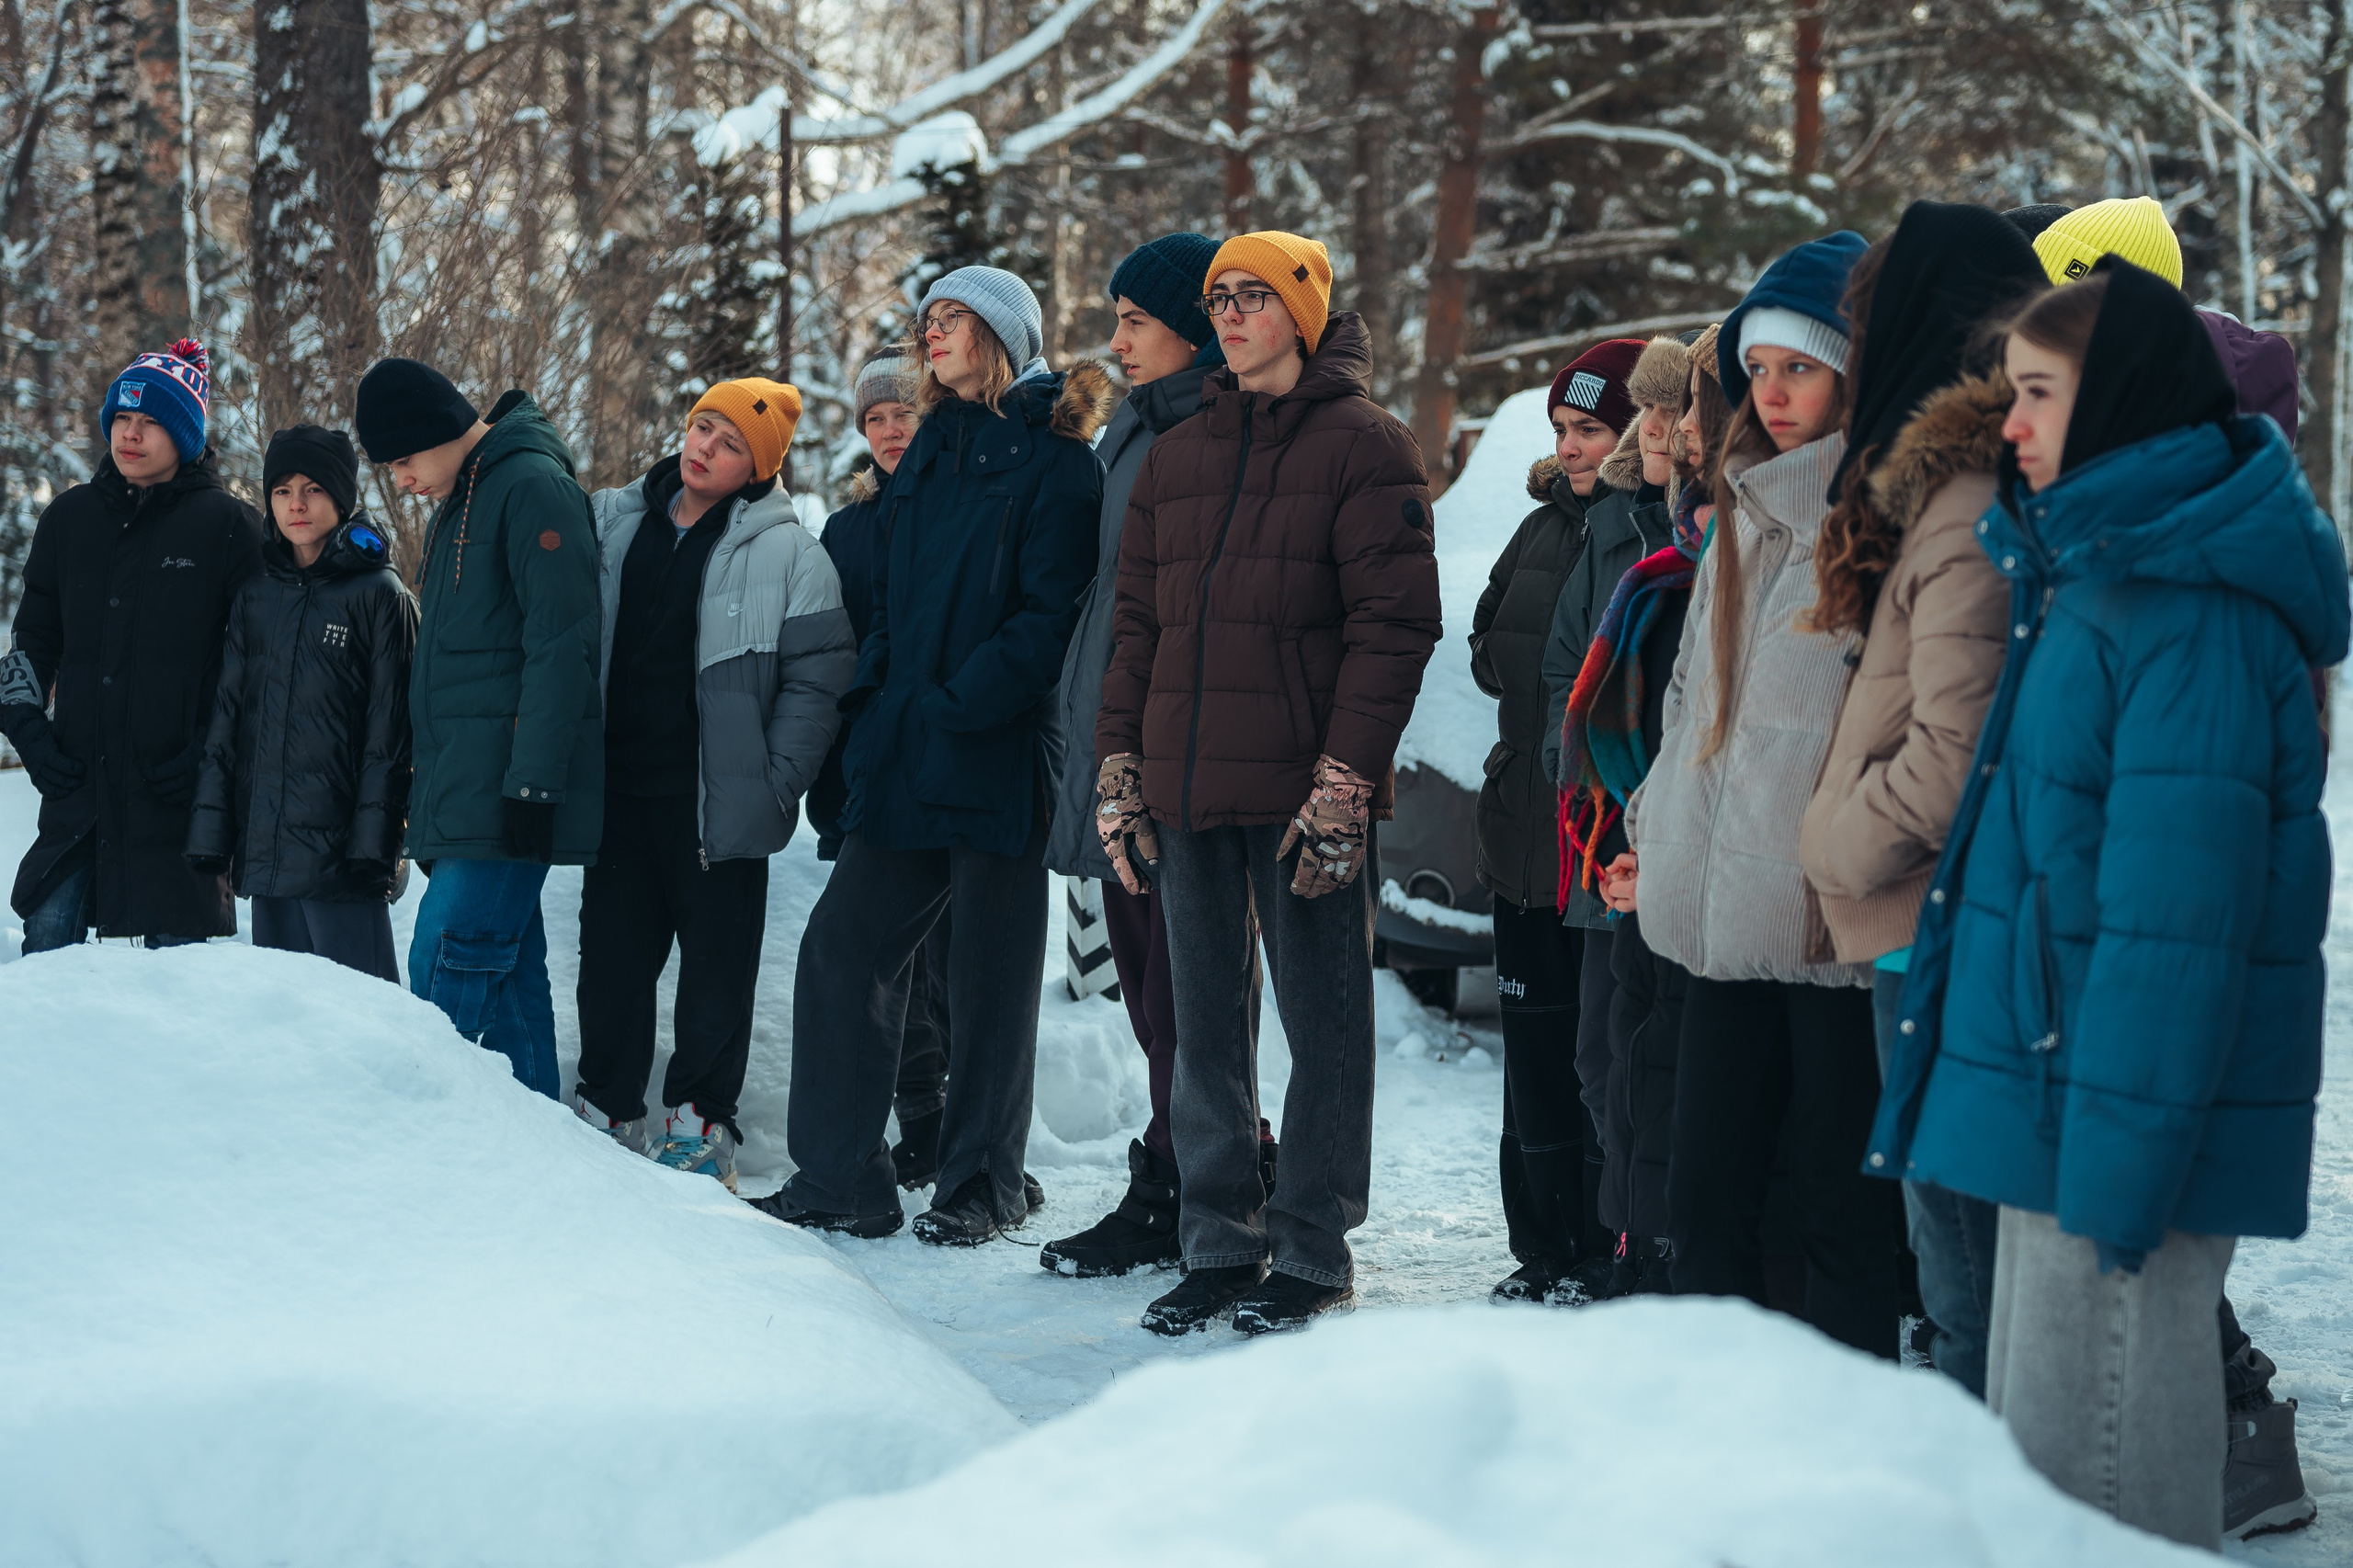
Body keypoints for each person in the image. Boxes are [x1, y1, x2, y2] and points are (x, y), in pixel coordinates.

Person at [1865, 258, 2346, 1550]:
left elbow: (2173, 932)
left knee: (2104, 1485)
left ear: (2121, 395)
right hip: (2061, 1096)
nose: (2008, 422)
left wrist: (2122, 1178)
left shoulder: (2189, 610)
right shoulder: (2093, 573)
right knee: (2056, 1473)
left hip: (2113, 1128)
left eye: (2036, 391)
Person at [1097, 230, 1440, 1335]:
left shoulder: (1366, 445)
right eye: (1220, 299)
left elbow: (1395, 628)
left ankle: (1311, 1247)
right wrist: (1119, 766)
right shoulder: (1178, 456)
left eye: (1255, 295)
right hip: (1186, 781)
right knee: (1203, 1026)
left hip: (1304, 791)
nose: (1233, 314)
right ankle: (1217, 1241)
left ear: (1304, 311)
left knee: (1325, 1023)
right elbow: (1137, 627)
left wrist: (1345, 783)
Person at [764, 266, 1109, 1244]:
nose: (932, 334)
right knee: (844, 949)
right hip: (907, 746)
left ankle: (982, 1186)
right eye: (928, 320)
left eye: (952, 318)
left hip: (997, 749)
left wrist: (964, 702)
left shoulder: (1059, 462)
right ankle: (842, 1179)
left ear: (1000, 336)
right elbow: (893, 600)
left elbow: (1052, 616)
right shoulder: (926, 454)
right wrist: (881, 699)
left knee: (990, 982)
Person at [1612, 231, 1908, 1360]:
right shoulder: (1737, 509)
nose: (1772, 393)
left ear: (1853, 376)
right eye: (1757, 369)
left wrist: (1847, 855)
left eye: (1801, 369)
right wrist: (1652, 830)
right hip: (1720, 924)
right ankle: (1715, 1427)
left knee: (1836, 1213)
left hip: (1831, 928)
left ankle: (1847, 1436)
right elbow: (1693, 704)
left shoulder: (1885, 515)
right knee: (1703, 1204)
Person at [1793, 201, 2047, 1396]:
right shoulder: (1947, 492)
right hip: (1929, 919)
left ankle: (1985, 1483)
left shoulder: (1961, 506)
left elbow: (1956, 749)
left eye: (1866, 324)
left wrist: (1832, 844)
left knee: (1962, 1273)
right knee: (1954, 1258)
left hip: (1934, 920)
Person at [1040, 233, 1279, 1279]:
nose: (1118, 339)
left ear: (1192, 330)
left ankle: (1202, 1183)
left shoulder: (1212, 431)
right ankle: (1198, 1168)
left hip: (1178, 753)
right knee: (1149, 989)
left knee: (1190, 994)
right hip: (1115, 744)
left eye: (1137, 320)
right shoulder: (1134, 426)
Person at [574, 379, 854, 1190]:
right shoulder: (616, 520)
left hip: (720, 803)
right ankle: (606, 1112)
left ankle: (701, 1127)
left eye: (730, 444)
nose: (705, 448)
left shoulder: (791, 553)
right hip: (621, 792)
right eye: (703, 427)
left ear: (757, 468)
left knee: (715, 979)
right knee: (611, 967)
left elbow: (820, 678)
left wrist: (775, 781)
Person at [355, 357, 604, 1101]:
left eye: (403, 458)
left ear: (438, 429)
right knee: (510, 989)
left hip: (506, 794)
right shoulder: (466, 498)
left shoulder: (531, 487)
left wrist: (534, 786)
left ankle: (425, 1139)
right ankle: (543, 1149)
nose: (400, 478)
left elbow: (562, 645)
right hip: (467, 789)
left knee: (443, 974)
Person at [1467, 335, 1649, 1307]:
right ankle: (1541, 1244)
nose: (1570, 447)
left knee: (1603, 1055)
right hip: (1522, 837)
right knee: (1533, 1055)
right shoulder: (1540, 528)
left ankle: (1605, 1243)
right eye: (1561, 429)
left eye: (1589, 429)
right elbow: (1487, 639)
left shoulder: (1646, 531)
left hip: (1599, 844)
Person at [2, 338, 264, 953]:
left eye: (151, 420)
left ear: (185, 435)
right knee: (48, 963)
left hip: (178, 803)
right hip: (77, 796)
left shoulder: (229, 526)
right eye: (122, 416)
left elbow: (258, 665)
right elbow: (30, 640)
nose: (131, 433)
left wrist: (211, 756)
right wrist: (26, 728)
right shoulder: (68, 519)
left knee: (177, 990)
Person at [1573, 324, 1729, 1296]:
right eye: (1660, 410)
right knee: (1615, 1057)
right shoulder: (1652, 558)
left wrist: (1662, 836)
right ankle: (1634, 1243)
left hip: (1708, 860)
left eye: (1687, 408)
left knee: (1668, 1064)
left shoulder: (1726, 556)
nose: (1669, 428)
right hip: (1633, 839)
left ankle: (1665, 1254)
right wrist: (1631, 829)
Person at [185, 426, 416, 981]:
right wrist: (214, 834)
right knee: (287, 1018)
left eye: (313, 489)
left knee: (361, 1013)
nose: (297, 505)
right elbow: (227, 723)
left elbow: (392, 735)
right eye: (283, 491)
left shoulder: (380, 595)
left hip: (344, 865)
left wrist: (375, 849)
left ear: (341, 497)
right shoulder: (257, 595)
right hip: (268, 858)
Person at [812, 349, 957, 1191]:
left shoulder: (959, 507)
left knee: (951, 961)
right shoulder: (846, 530)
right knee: (886, 960)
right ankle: (919, 1117)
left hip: (946, 761)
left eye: (906, 412)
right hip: (867, 767)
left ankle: (961, 1133)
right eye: (876, 418)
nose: (892, 429)